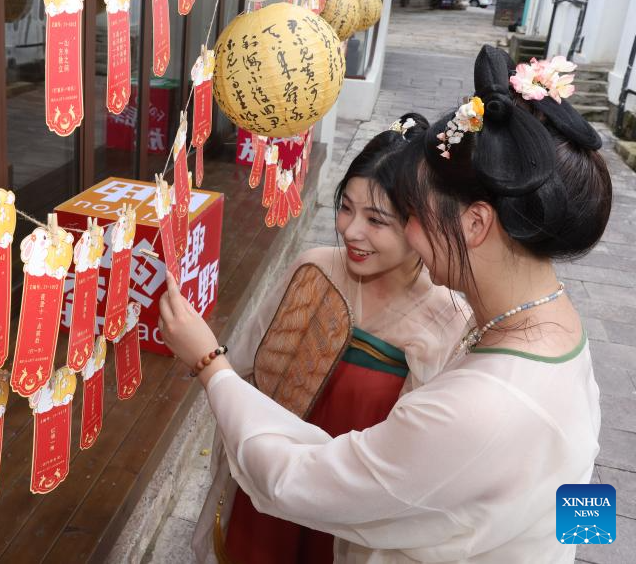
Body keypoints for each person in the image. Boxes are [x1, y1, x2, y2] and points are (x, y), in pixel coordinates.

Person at [163, 46, 607, 563]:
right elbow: (581, 470)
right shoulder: (562, 331)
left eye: (411, 212)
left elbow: (298, 481)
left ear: (475, 224)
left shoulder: (481, 405)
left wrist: (208, 365)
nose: (406, 230)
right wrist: (572, 548)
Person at [197, 113, 471, 563]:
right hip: (270, 486)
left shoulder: (444, 320)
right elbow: (248, 368)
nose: (351, 231)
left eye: (376, 219)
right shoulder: (316, 268)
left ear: (420, 224)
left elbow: (413, 465)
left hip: (351, 515)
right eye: (346, 207)